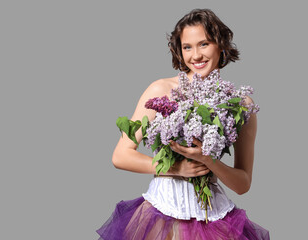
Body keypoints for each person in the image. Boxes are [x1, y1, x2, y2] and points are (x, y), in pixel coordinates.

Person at [97, 8, 270, 240]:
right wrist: (176, 169)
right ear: (179, 50)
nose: (196, 55)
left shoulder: (241, 105)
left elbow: (242, 183)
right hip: (161, 213)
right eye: (187, 47)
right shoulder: (160, 90)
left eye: (204, 44)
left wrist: (208, 161)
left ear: (221, 45)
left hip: (213, 217)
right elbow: (121, 155)